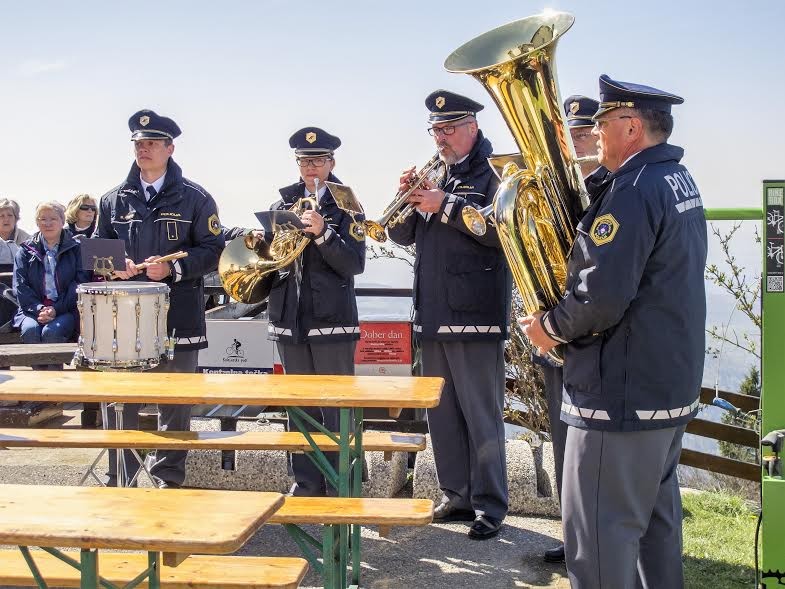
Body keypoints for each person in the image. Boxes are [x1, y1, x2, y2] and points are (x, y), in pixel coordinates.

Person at [520, 75, 706, 588]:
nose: (595, 132)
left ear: (631, 127)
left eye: (602, 123)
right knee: (655, 533)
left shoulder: (633, 190)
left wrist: (550, 327)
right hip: (665, 389)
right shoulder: (677, 178)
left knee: (599, 543)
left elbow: (601, 298)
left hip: (617, 397)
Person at [388, 91, 511, 540]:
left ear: (472, 127)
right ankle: (456, 495)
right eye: (435, 130)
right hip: (434, 312)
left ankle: (490, 505)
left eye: (448, 129)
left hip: (476, 314)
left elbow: (501, 232)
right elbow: (400, 235)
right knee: (442, 416)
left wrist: (447, 205)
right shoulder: (435, 172)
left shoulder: (496, 174)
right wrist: (405, 197)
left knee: (482, 415)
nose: (440, 137)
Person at [95, 109, 225, 488]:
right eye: (139, 143)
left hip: (178, 317)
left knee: (175, 404)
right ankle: (121, 477)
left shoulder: (196, 199)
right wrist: (113, 266)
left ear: (170, 148)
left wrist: (173, 269)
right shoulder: (112, 200)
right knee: (122, 402)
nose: (144, 149)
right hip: (125, 320)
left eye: (152, 143)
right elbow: (98, 249)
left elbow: (214, 251)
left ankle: (168, 479)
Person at [265, 126, 365, 497]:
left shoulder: (348, 205)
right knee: (299, 407)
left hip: (332, 322)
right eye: (305, 161)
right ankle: (306, 482)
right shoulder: (281, 204)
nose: (311, 168)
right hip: (289, 320)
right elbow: (272, 261)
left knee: (338, 409)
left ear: (331, 163)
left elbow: (354, 264)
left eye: (318, 160)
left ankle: (342, 484)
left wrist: (323, 233)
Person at [536, 94, 606, 564]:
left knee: (594, 449)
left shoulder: (613, 191)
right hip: (553, 331)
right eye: (569, 137)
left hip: (588, 335)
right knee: (564, 442)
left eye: (583, 134)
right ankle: (572, 534)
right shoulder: (553, 192)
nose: (576, 145)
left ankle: (597, 540)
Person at [13, 202, 87, 354]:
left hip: (66, 309)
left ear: (62, 221)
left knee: (51, 332)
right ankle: (38, 369)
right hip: (31, 310)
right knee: (30, 330)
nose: (47, 223)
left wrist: (55, 309)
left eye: (53, 219)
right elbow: (20, 286)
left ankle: (54, 369)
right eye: (43, 219)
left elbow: (80, 284)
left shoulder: (77, 248)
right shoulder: (25, 251)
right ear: (37, 222)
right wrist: (40, 309)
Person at [0, 198, 31, 327]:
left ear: (16, 218)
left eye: (10, 215)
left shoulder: (27, 240)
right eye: (1, 216)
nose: (6, 219)